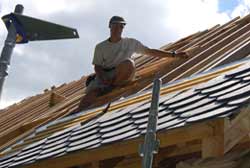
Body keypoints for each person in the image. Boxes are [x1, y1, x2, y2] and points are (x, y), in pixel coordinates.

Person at [78, 16, 188, 110]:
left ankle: (113, 86)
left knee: (128, 63)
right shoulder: (101, 47)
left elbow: (150, 51)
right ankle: (76, 113)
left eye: (121, 26)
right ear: (110, 26)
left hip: (121, 73)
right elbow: (97, 66)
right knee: (88, 98)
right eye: (115, 25)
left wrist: (174, 54)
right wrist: (103, 78)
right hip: (105, 75)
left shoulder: (130, 43)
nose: (118, 28)